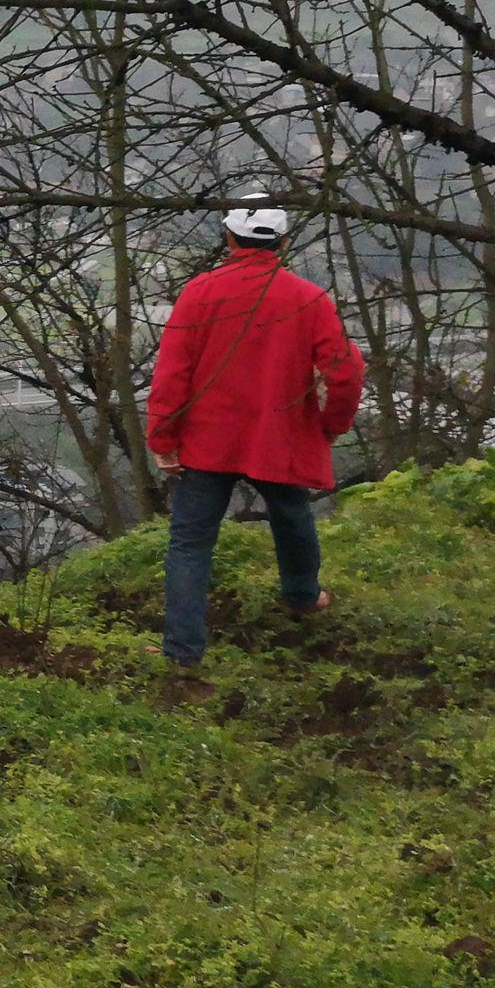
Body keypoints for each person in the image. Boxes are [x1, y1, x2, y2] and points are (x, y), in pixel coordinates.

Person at [143, 203, 365, 682]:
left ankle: (182, 654)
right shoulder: (309, 299)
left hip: (207, 442)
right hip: (277, 438)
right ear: (283, 245)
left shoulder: (199, 294)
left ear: (229, 240)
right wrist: (331, 425)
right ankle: (303, 597)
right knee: (292, 516)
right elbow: (345, 371)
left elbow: (172, 375)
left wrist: (163, 437)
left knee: (190, 543)